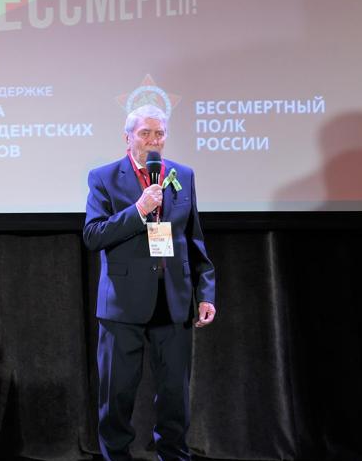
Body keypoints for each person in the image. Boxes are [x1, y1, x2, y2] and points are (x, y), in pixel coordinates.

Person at [83, 105, 216, 461]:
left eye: (159, 134)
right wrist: (139, 210)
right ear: (127, 138)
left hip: (173, 300)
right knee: (117, 394)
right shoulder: (104, 177)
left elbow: (193, 239)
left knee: (175, 394)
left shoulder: (182, 175)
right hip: (123, 302)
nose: (153, 141)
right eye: (145, 133)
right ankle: (115, 457)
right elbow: (94, 235)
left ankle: (174, 455)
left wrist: (205, 293)